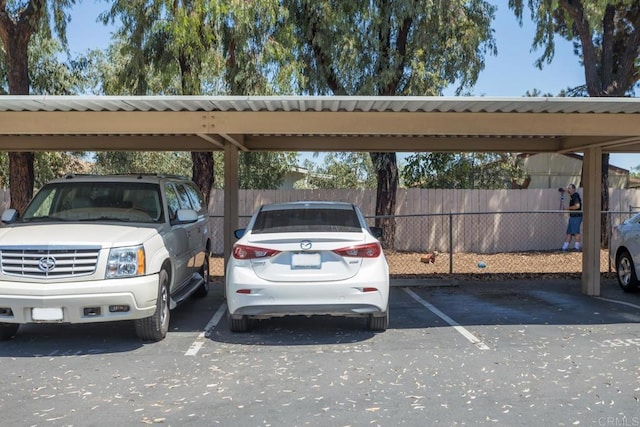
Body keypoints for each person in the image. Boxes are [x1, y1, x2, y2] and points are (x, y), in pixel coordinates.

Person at [562, 183, 582, 251]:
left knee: (576, 232)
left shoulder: (575, 196)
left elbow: (577, 206)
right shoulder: (572, 196)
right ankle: (564, 247)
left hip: (576, 216)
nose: (568, 190)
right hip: (572, 217)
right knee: (569, 233)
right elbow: (567, 191)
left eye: (570, 188)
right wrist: (563, 190)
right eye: (568, 188)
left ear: (573, 189)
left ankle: (577, 248)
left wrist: (567, 208)